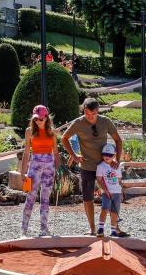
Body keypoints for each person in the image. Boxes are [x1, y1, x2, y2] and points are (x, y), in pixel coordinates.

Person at [62, 98, 122, 235]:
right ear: (83, 110)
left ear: (98, 111)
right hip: (87, 166)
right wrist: (75, 156)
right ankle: (92, 228)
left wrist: (116, 159)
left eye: (93, 114)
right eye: (87, 114)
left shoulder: (105, 121)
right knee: (87, 197)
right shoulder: (78, 123)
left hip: (106, 166)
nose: (90, 117)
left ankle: (115, 228)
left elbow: (118, 140)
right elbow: (64, 138)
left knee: (113, 195)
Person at [19, 104, 60, 237]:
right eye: (36, 119)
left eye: (41, 119)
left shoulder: (52, 132)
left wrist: (58, 170)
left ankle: (44, 228)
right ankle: (24, 230)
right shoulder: (29, 131)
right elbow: (26, 153)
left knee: (45, 198)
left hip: (49, 167)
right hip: (34, 166)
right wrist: (22, 171)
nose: (38, 121)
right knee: (30, 196)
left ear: (47, 118)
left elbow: (56, 153)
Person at [95, 143, 128, 237]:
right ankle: (100, 229)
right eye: (105, 154)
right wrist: (105, 190)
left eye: (109, 155)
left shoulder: (117, 167)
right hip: (106, 193)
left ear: (114, 156)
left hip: (117, 192)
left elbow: (119, 181)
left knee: (114, 212)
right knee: (104, 209)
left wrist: (121, 192)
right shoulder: (100, 166)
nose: (106, 157)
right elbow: (99, 180)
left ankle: (113, 231)